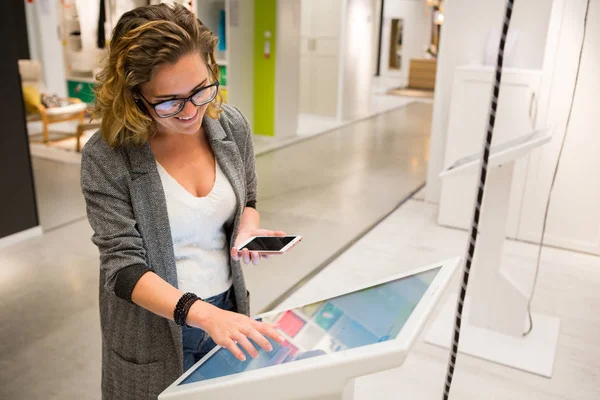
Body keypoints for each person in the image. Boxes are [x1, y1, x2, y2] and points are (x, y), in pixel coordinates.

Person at [81, 4, 290, 399]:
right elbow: (123, 268)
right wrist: (203, 315)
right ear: (134, 97)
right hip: (157, 328)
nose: (192, 110)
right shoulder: (107, 157)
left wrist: (246, 226)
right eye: (170, 102)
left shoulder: (229, 125)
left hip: (228, 308)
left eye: (200, 89)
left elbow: (248, 198)